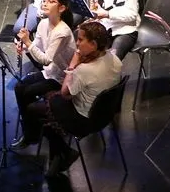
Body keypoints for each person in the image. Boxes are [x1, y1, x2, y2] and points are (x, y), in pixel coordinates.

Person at [21, 21, 122, 177]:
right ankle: (58, 155)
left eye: (81, 39)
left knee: (34, 110)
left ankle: (64, 152)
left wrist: (73, 65)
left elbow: (65, 93)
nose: (77, 43)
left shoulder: (84, 70)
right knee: (46, 112)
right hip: (104, 114)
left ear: (94, 44)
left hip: (83, 119)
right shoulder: (115, 59)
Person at [11, 0, 76, 148]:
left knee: (27, 92)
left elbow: (46, 60)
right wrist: (24, 47)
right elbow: (37, 47)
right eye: (45, 0)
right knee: (19, 88)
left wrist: (27, 42)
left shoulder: (62, 32)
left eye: (51, 1)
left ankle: (33, 131)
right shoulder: (44, 23)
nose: (45, 3)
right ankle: (32, 130)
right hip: (51, 72)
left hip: (63, 78)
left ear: (61, 8)